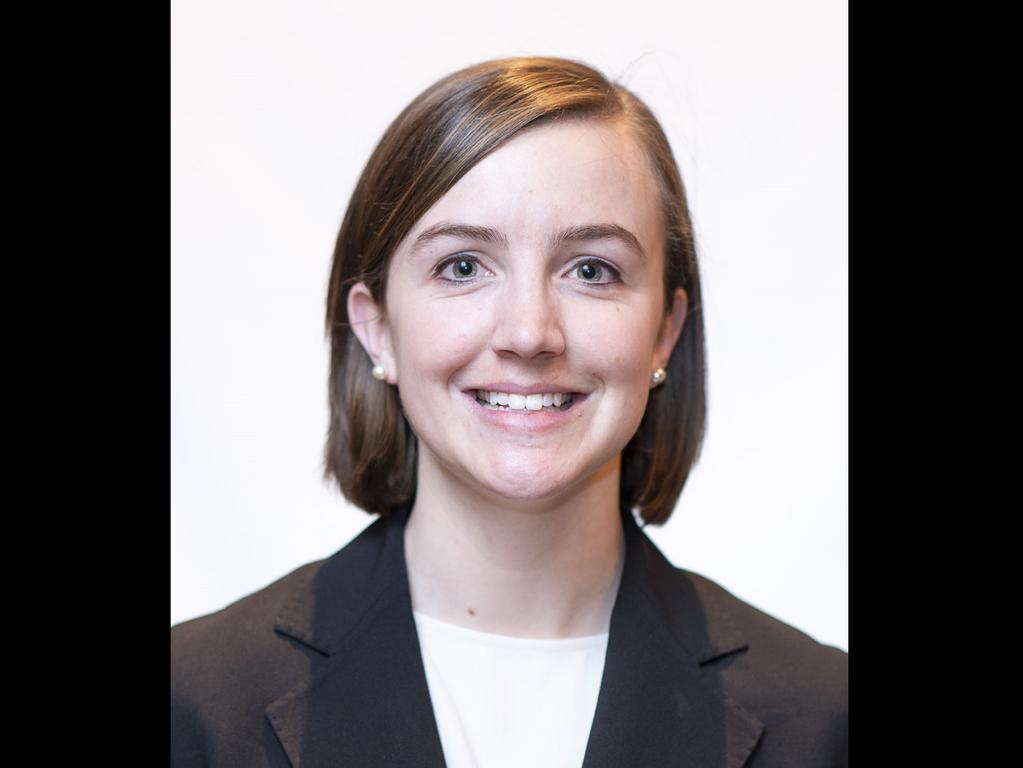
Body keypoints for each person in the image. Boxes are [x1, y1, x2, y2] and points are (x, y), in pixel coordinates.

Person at [171, 56, 847, 767]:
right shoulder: (194, 706)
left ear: (664, 333)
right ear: (377, 329)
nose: (529, 333)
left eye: (592, 269)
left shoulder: (825, 721)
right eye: (462, 266)